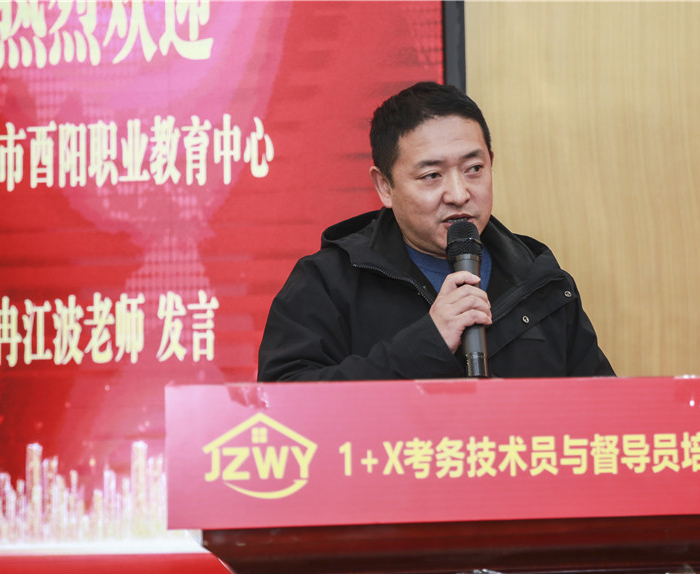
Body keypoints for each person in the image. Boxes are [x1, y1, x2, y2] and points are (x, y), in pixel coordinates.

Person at [258, 82, 614, 381]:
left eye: (474, 169)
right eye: (432, 175)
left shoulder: (542, 283)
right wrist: (426, 343)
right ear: (385, 186)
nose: (458, 194)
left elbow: (602, 413)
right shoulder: (328, 282)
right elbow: (285, 406)